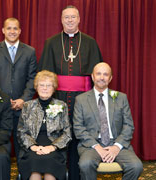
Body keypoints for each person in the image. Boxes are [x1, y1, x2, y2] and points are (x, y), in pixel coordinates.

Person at [38, 5, 102, 180]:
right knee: (57, 137)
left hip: (83, 100)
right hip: (57, 99)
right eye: (66, 17)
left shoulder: (90, 42)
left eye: (73, 17)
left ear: (79, 19)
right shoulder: (51, 42)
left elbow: (97, 75)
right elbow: (45, 75)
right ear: (61, 20)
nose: (70, 20)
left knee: (78, 139)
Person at [73, 62, 143, 180]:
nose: (101, 77)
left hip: (117, 143)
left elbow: (128, 126)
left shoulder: (121, 98)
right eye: (98, 74)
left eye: (105, 74)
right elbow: (78, 128)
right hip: (92, 145)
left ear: (110, 78)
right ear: (92, 76)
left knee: (136, 166)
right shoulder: (81, 100)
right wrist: (97, 147)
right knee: (85, 164)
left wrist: (116, 147)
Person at [0, 17, 37, 159]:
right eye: (9, 28)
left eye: (15, 28)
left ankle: (22, 174)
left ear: (20, 31)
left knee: (23, 145)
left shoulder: (29, 51)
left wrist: (23, 100)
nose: (12, 31)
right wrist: (4, 100)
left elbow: (32, 78)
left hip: (22, 107)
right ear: (3, 30)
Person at [17, 70, 72, 180]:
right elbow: (21, 132)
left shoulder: (62, 106)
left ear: (54, 88)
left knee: (50, 169)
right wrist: (33, 147)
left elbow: (67, 134)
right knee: (33, 168)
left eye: (48, 85)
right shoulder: (28, 106)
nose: (45, 88)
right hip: (32, 149)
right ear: (36, 87)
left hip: (54, 149)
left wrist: (52, 147)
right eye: (41, 85)